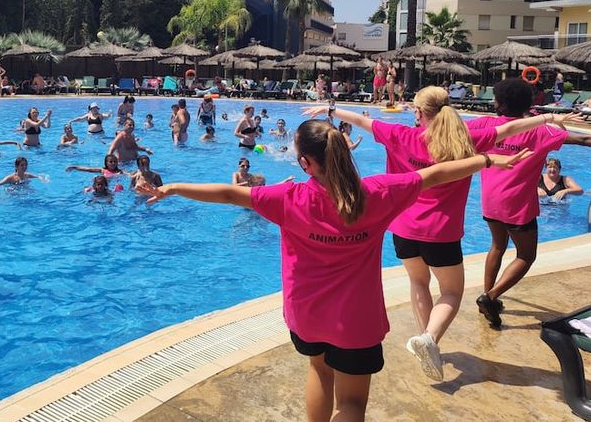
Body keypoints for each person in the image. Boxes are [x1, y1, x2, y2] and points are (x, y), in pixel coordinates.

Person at [136, 119, 530, 422]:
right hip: (357, 322)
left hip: (307, 315)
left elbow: (228, 193)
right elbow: (435, 174)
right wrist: (487, 160)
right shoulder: (378, 193)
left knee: (319, 370)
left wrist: (172, 188)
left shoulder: (288, 197)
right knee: (353, 403)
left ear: (305, 163)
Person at [306, 88, 577, 380]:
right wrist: (548, 118)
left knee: (418, 282)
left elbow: (363, 121)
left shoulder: (401, 135)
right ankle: (429, 339)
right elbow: (510, 129)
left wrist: (330, 111)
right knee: (451, 292)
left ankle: (427, 341)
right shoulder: (464, 140)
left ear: (419, 113)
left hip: (404, 229)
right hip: (441, 232)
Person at [468, 78, 591, 327]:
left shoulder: (485, 124)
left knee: (497, 246)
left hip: (490, 199)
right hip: (517, 205)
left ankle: (488, 297)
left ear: (499, 103)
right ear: (528, 103)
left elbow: (450, 131)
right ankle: (490, 297)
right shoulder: (540, 131)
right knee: (526, 255)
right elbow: (583, 140)